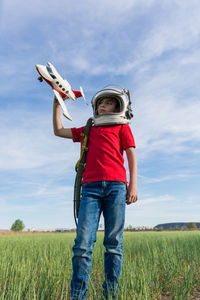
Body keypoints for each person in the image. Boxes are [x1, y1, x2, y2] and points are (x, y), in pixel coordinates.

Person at [53, 86, 138, 299]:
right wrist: (57, 103)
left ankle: (110, 295)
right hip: (89, 189)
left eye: (108, 102)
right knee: (82, 244)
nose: (102, 105)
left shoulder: (122, 127)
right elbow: (58, 130)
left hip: (117, 187)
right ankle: (78, 296)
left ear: (118, 106)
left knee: (113, 244)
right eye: (100, 102)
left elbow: (131, 157)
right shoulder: (89, 128)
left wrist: (133, 185)